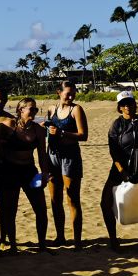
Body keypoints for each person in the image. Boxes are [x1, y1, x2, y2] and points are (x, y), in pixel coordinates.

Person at [100, 91, 138, 252]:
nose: (127, 107)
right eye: (123, 104)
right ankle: (113, 240)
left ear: (135, 104)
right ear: (119, 108)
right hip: (118, 170)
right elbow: (113, 151)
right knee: (105, 203)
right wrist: (122, 172)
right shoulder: (116, 125)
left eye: (130, 103)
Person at [0, 98, 50, 251]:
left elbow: (42, 154)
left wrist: (44, 173)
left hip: (29, 171)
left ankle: (42, 244)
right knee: (10, 210)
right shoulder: (8, 125)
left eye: (35, 110)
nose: (34, 112)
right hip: (9, 171)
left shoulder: (38, 130)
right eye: (31, 109)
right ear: (21, 110)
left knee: (40, 208)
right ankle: (12, 245)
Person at [44, 81, 89, 249]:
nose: (71, 96)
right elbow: (48, 130)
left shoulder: (76, 109)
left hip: (70, 157)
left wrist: (63, 133)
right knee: (55, 200)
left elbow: (84, 135)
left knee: (72, 199)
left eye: (73, 93)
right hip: (52, 156)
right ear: (59, 92)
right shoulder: (51, 109)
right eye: (68, 93)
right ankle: (60, 237)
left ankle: (77, 241)